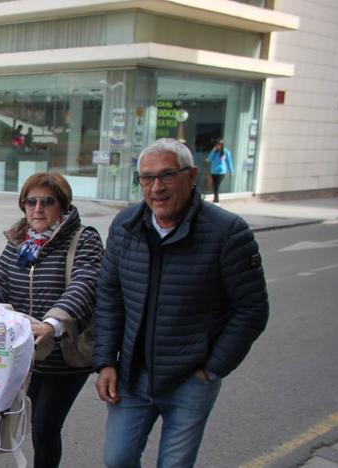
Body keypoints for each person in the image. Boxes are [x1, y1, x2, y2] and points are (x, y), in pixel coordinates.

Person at [94, 138, 269, 467]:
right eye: (146, 178)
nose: (156, 188)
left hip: (191, 378)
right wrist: (105, 361)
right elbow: (109, 295)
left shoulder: (227, 232)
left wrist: (211, 369)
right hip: (132, 376)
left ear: (192, 176)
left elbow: (251, 310)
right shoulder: (125, 226)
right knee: (117, 459)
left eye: (167, 176)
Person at [0, 172, 103, 468]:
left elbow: (84, 285)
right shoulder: (21, 241)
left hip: (66, 354)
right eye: (30, 202)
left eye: (48, 202)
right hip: (26, 354)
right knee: (33, 422)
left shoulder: (84, 239)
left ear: (63, 205)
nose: (38, 209)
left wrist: (52, 324)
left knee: (45, 425)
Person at [208, 138, 233, 203]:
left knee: (217, 185)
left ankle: (216, 199)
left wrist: (231, 171)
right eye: (216, 144)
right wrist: (212, 151)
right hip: (213, 171)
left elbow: (229, 162)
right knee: (214, 185)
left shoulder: (226, 152)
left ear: (222, 145)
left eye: (219, 144)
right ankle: (216, 198)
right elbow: (209, 159)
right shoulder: (214, 152)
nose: (217, 146)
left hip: (221, 172)